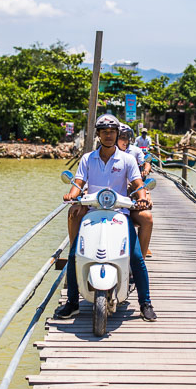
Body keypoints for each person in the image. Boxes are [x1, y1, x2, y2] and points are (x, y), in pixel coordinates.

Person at [56, 114, 157, 322]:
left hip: (120, 213)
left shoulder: (127, 159)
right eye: (104, 132)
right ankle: (72, 303)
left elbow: (138, 183)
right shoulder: (88, 158)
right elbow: (78, 182)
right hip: (92, 213)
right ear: (98, 135)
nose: (108, 135)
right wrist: (72, 196)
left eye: (112, 132)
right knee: (75, 255)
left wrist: (142, 197)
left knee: (137, 257)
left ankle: (145, 303)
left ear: (117, 134)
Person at [118, 124, 154, 258]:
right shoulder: (95, 156)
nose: (124, 141)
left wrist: (144, 196)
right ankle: (74, 257)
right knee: (77, 211)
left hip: (128, 196)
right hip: (106, 199)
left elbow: (139, 179)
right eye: (121, 137)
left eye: (126, 137)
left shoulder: (133, 155)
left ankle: (140, 261)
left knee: (146, 217)